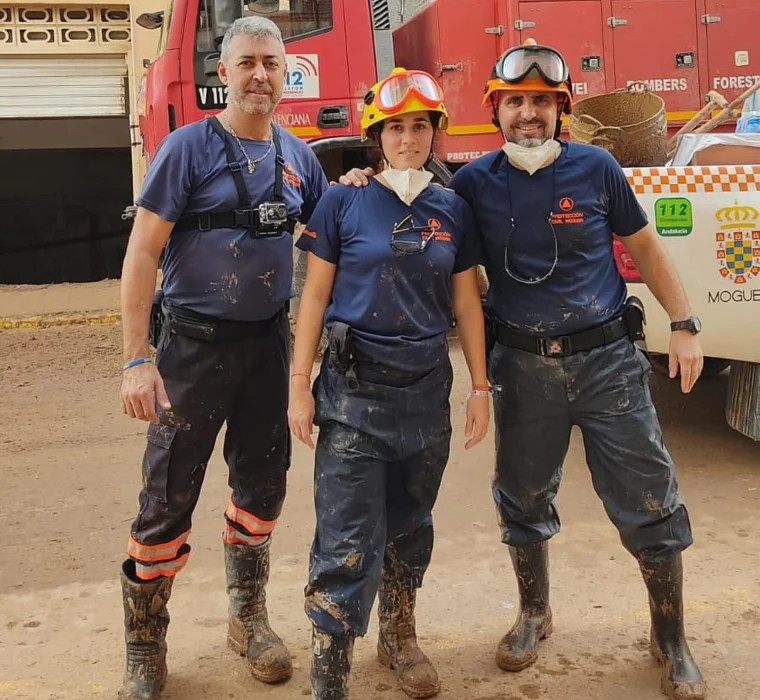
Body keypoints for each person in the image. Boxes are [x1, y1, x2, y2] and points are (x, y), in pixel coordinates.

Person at [342, 41, 706, 700]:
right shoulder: (473, 184)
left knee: (649, 500)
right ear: (497, 111)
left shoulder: (597, 168)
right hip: (523, 369)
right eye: (516, 102)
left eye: (541, 102)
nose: (529, 115)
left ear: (560, 109)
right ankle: (535, 614)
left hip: (607, 365)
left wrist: (683, 324)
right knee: (523, 499)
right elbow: (408, 195)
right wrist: (360, 179)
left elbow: (645, 246)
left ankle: (671, 636)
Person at [117, 16, 327, 700]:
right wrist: (135, 359)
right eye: (247, 63)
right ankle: (146, 650)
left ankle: (248, 619)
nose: (260, 74)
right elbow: (143, 252)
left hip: (266, 349)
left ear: (284, 72)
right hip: (189, 352)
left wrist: (357, 185)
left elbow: (332, 244)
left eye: (272, 62)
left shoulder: (301, 159)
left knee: (261, 490)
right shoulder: (187, 150)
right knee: (165, 500)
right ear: (224, 72)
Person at [289, 67, 490, 699]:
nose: (408, 138)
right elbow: (314, 297)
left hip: (426, 393)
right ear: (376, 136)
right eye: (395, 127)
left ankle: (399, 637)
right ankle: (331, 674)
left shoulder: (452, 209)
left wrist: (479, 387)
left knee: (410, 525)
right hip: (352, 395)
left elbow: (466, 307)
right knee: (346, 539)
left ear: (435, 133)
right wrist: (300, 382)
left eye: (420, 126)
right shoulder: (342, 199)